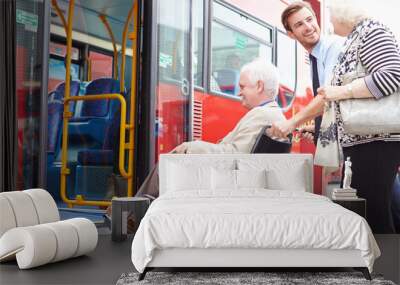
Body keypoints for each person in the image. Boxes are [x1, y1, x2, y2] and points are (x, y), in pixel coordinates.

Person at [273, 0, 400, 233]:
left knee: (373, 211)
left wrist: (340, 91)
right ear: (291, 34)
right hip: (363, 139)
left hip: (376, 138)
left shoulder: (368, 34)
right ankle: (382, 266)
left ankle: (384, 268)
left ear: (344, 16)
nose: (322, 24)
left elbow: (391, 76)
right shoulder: (353, 40)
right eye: (300, 24)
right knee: (378, 208)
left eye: (313, 19)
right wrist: (323, 129)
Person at [135, 59, 286, 198]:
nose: (239, 93)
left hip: (231, 182)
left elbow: (236, 155)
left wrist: (191, 148)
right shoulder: (271, 113)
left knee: (167, 164)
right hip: (237, 180)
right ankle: (128, 215)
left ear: (259, 86)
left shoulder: (262, 115)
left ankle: (127, 218)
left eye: (242, 87)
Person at [277, 1, 345, 144]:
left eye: (309, 20)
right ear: (291, 34)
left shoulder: (332, 47)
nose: (308, 27)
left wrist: (292, 122)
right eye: (299, 24)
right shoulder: (315, 57)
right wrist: (319, 126)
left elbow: (329, 95)